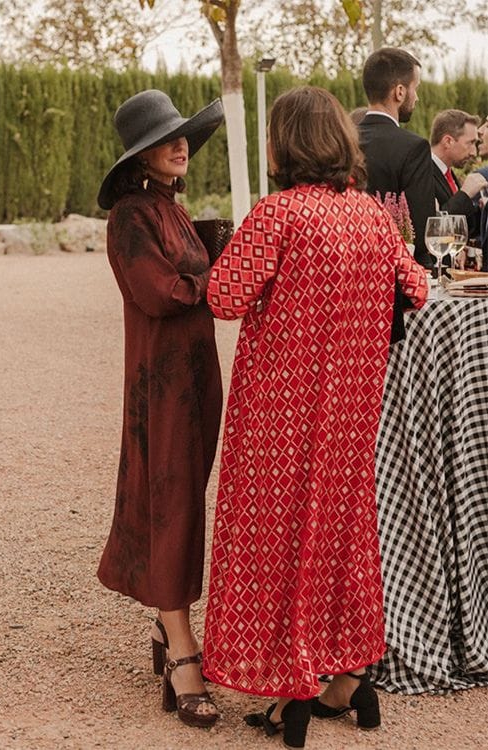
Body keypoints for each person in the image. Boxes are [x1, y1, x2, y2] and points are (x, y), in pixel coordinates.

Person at [202, 86, 428, 749]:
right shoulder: (370, 217)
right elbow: (414, 287)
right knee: (340, 536)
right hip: (350, 419)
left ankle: (291, 690)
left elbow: (223, 296)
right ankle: (348, 677)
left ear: (282, 146)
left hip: (279, 415)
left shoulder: (278, 216)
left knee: (274, 542)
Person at [96, 89, 224, 728]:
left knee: (187, 501)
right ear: (141, 157)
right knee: (170, 506)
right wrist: (217, 281)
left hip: (197, 378)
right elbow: (160, 292)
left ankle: (164, 619)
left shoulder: (171, 209)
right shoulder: (130, 218)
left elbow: (199, 264)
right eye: (165, 141)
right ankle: (181, 649)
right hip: (161, 384)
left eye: (183, 139)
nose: (181, 147)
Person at [358, 48, 435, 270]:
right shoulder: (414, 148)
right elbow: (421, 230)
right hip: (396, 275)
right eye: (415, 88)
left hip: (347, 273)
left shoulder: (340, 142)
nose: (417, 97)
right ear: (399, 92)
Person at [429, 109, 486, 239]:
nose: (473, 153)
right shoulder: (422, 173)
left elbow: (462, 226)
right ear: (448, 141)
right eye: (470, 143)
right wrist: (465, 194)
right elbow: (433, 227)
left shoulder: (448, 173)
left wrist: (481, 210)